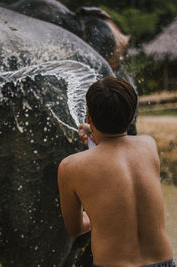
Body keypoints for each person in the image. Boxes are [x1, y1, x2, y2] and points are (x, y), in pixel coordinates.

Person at [57, 76, 175, 267]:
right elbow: (117, 154)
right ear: (131, 117)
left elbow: (75, 228)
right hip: (164, 262)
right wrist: (95, 135)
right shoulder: (148, 146)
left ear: (88, 116)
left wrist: (102, 215)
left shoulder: (70, 166)